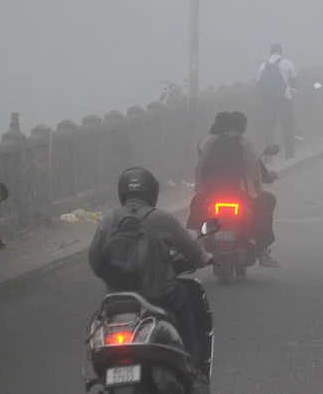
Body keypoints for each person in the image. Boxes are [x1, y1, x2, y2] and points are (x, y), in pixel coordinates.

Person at [88, 167, 210, 362]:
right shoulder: (161, 218)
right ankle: (191, 364)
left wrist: (114, 279)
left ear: (122, 192)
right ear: (153, 192)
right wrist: (204, 258)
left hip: (117, 299)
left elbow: (95, 260)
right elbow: (190, 248)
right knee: (185, 304)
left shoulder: (108, 221)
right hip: (159, 296)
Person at [193, 111, 280, 268]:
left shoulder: (209, 143)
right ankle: (263, 251)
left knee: (198, 202)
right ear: (243, 128)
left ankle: (200, 240)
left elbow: (200, 168)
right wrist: (263, 181)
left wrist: (203, 187)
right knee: (267, 201)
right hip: (239, 194)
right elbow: (255, 172)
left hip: (212, 193)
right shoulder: (245, 145)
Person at [256, 44, 299, 159]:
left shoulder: (264, 65)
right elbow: (294, 79)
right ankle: (289, 153)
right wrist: (293, 91)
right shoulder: (286, 63)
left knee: (269, 128)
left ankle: (268, 157)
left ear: (270, 52)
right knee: (288, 127)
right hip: (284, 99)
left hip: (269, 101)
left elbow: (258, 81)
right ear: (281, 51)